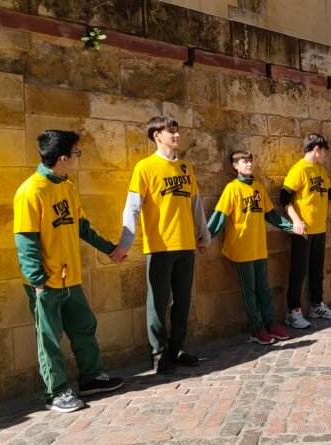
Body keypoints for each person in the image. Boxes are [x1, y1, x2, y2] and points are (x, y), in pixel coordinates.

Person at [14, 130, 124, 413]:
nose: (78, 157)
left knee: (84, 326)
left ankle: (91, 378)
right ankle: (56, 392)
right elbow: (25, 239)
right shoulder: (31, 190)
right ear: (63, 158)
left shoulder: (67, 185)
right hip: (45, 282)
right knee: (48, 337)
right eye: (77, 153)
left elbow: (81, 227)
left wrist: (109, 248)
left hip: (70, 277)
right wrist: (37, 281)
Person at [112, 116, 210, 374]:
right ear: (157, 135)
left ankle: (176, 348)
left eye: (177, 131)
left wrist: (204, 234)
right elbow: (132, 207)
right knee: (157, 301)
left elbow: (195, 204)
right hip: (159, 246)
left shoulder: (187, 168)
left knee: (182, 300)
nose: (176, 136)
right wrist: (125, 242)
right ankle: (157, 353)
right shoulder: (145, 167)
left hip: (186, 245)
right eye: (171, 132)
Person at [207, 150, 294, 345]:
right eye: (244, 162)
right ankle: (257, 329)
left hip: (259, 247)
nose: (249, 164)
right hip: (241, 249)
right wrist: (205, 237)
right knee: (250, 291)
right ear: (235, 166)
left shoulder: (258, 188)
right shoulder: (232, 188)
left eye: (250, 161)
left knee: (263, 288)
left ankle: (270, 323)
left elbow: (271, 215)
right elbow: (219, 216)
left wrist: (291, 227)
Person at [280, 134, 331, 329]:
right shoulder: (299, 169)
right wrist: (296, 221)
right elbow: (284, 198)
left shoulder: (321, 170)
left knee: (317, 269)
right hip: (303, 230)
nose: (325, 154)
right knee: (298, 271)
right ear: (317, 149)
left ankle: (316, 305)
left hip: (320, 228)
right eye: (324, 150)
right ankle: (293, 311)